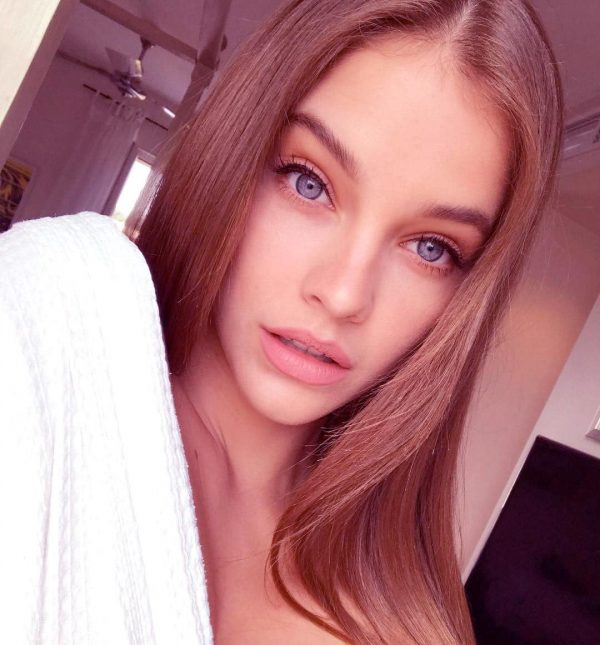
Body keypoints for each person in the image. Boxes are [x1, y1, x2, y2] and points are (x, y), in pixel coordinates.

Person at [0, 0, 562, 643]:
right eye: (308, 183)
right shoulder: (46, 339)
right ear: (236, 152)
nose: (344, 294)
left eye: (431, 248)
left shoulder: (404, 619)